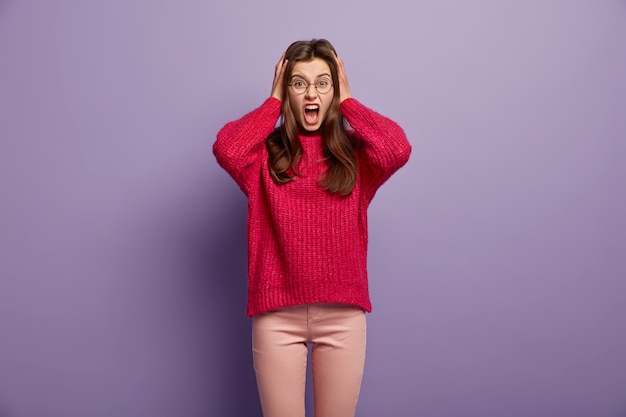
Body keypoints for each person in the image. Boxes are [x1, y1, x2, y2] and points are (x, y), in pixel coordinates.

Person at [213, 39, 411, 417]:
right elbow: (228, 149)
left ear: (335, 89)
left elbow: (396, 148)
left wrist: (350, 101)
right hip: (277, 318)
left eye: (323, 83)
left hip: (342, 318)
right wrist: (271, 103)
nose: (311, 93)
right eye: (298, 83)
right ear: (286, 89)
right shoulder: (262, 157)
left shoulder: (356, 158)